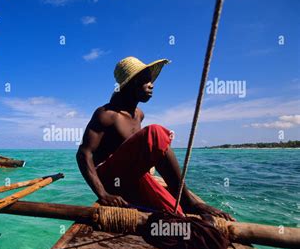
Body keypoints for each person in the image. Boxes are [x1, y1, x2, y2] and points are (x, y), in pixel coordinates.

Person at [76, 56, 234, 220]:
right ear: (131, 84)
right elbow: (83, 154)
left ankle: (183, 201)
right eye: (145, 81)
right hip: (109, 179)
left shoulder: (139, 115)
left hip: (131, 176)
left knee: (175, 212)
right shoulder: (107, 114)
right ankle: (188, 200)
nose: (152, 85)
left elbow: (140, 152)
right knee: (156, 132)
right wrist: (103, 194)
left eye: (151, 81)